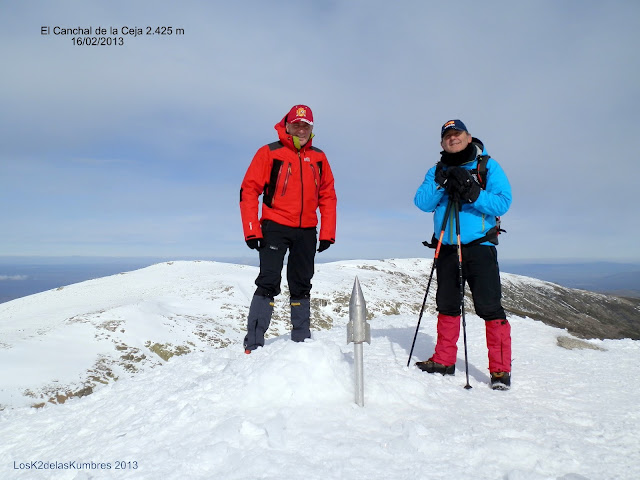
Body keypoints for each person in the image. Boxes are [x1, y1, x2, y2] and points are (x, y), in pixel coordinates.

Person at [413, 119, 513, 390]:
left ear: (469, 137)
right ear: (442, 142)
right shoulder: (436, 171)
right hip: (446, 247)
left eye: (457, 134)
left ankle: (500, 372)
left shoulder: (487, 166)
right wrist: (441, 184)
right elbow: (421, 203)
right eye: (447, 136)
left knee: (490, 307)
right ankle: (444, 361)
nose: (452, 139)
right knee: (447, 304)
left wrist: (472, 191)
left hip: (480, 247)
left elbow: (503, 201)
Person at [239, 105, 337, 353]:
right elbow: (249, 190)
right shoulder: (270, 152)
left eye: (306, 126)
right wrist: (252, 229)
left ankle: (301, 340)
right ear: (287, 125)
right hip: (275, 226)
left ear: (311, 128)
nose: (301, 130)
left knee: (302, 283)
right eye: (297, 125)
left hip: (307, 230)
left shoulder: (319, 157)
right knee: (268, 281)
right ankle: (254, 343)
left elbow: (328, 196)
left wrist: (327, 233)